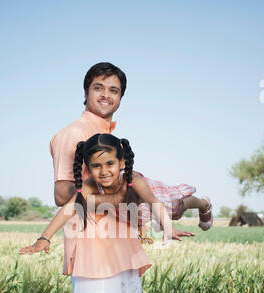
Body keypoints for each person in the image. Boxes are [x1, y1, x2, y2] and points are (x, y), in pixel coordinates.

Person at [19, 133, 195, 293]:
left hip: (123, 253)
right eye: (96, 166)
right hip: (95, 255)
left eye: (110, 164)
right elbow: (68, 209)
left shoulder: (134, 181)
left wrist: (168, 229)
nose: (104, 171)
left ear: (121, 161)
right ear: (88, 167)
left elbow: (154, 203)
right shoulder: (88, 187)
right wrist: (44, 238)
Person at [50, 62, 213, 233]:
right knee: (171, 208)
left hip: (115, 228)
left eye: (114, 90)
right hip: (90, 235)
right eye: (98, 88)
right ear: (86, 92)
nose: (106, 95)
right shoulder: (75, 133)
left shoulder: (106, 135)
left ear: (120, 97)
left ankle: (203, 205)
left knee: (173, 206)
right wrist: (115, 199)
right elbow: (62, 195)